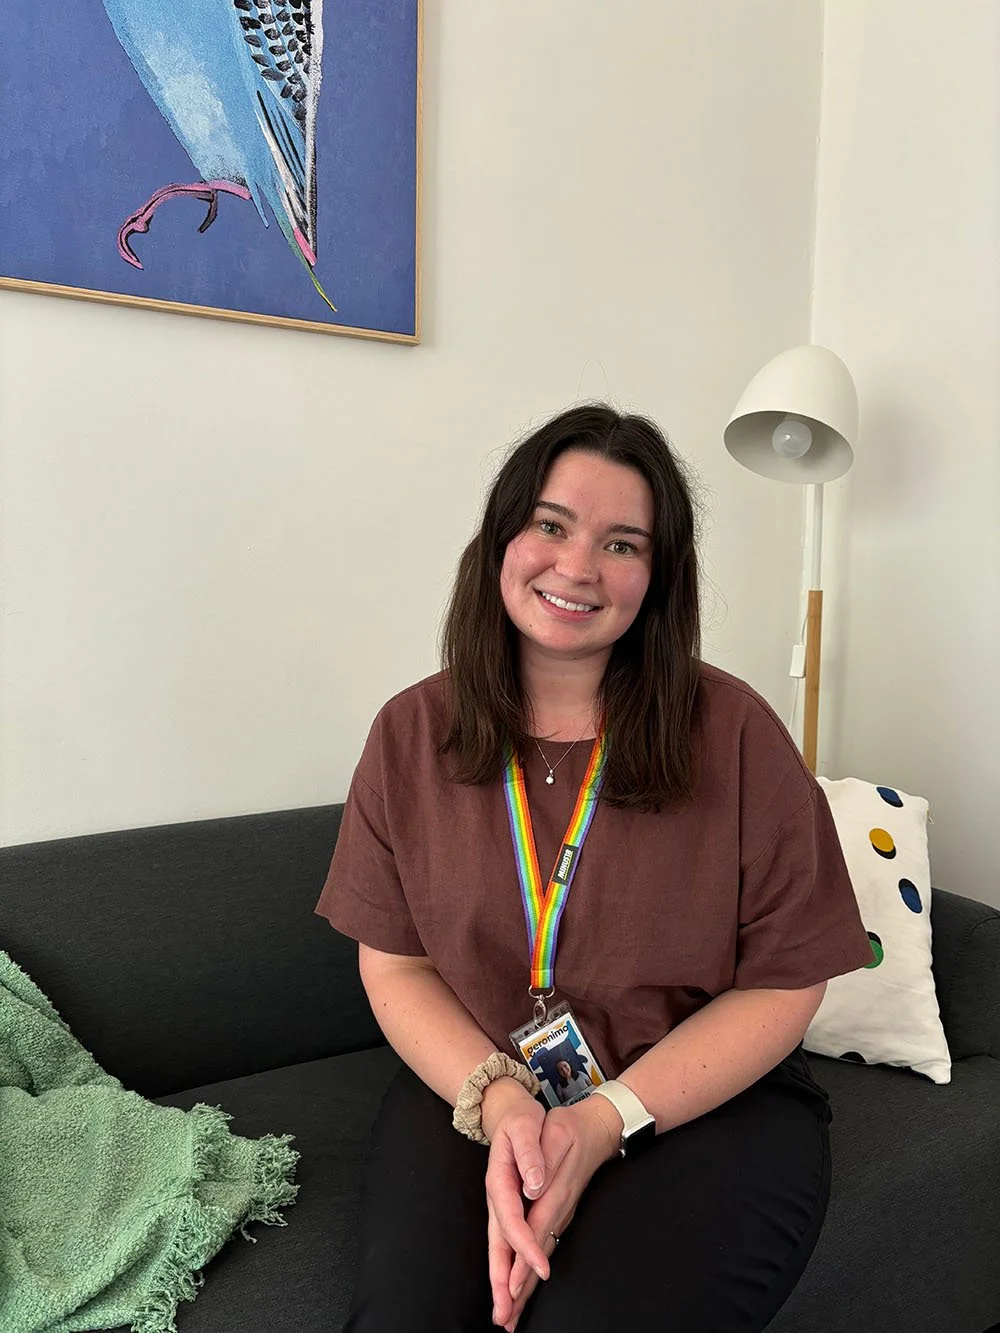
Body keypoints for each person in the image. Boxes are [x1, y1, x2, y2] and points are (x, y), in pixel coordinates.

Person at [315, 403, 873, 1333]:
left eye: (623, 544)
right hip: (481, 1081)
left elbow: (789, 980)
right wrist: (501, 1105)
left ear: (657, 578)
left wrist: (606, 1116)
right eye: (550, 524)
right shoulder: (409, 733)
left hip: (701, 1098)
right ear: (502, 538)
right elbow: (396, 962)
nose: (578, 567)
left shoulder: (734, 734)